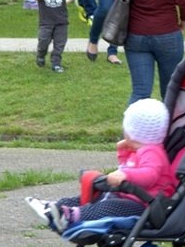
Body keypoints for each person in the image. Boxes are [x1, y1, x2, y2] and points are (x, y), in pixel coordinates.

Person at [25, 98, 176, 232]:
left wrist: (126, 176)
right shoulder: (139, 151)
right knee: (90, 197)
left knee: (107, 208)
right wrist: (123, 151)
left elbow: (150, 175)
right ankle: (55, 208)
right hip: (126, 196)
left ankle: (69, 216)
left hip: (143, 206)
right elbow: (126, 165)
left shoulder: (152, 152)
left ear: (132, 130)